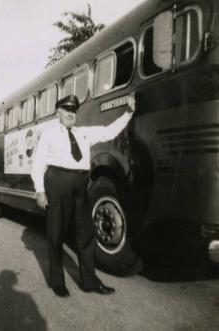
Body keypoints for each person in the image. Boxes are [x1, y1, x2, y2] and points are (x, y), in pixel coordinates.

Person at [30, 94, 135, 297]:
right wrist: (40, 190)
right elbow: (38, 163)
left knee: (86, 234)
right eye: (67, 110)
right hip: (57, 182)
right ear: (58, 112)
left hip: (80, 185)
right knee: (56, 233)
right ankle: (57, 281)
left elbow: (109, 132)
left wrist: (128, 113)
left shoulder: (83, 133)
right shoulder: (49, 134)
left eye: (74, 111)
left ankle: (90, 282)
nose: (71, 114)